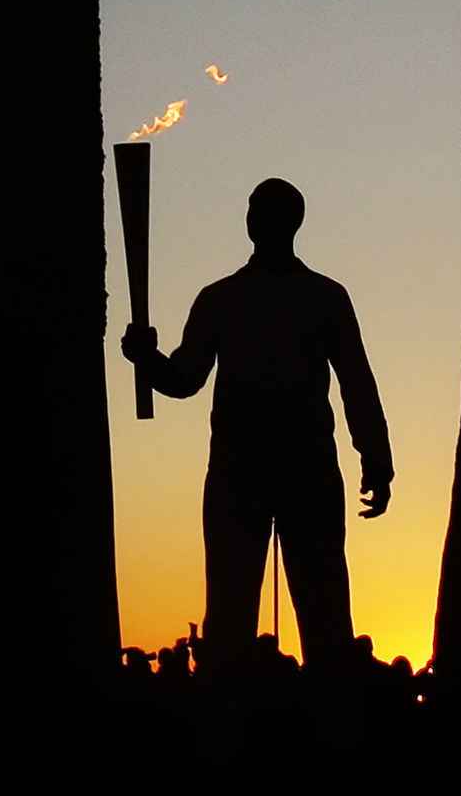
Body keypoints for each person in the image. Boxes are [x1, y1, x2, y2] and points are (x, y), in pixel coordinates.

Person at [123, 178, 393, 679]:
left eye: (258, 209)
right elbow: (184, 377)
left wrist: (376, 456)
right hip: (242, 475)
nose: (253, 217)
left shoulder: (317, 298)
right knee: (231, 619)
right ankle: (232, 739)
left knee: (322, 615)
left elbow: (357, 380)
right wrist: (148, 360)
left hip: (296, 472)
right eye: (253, 209)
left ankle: (329, 737)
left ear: (280, 222)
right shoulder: (227, 299)